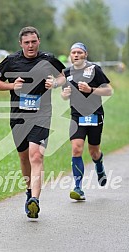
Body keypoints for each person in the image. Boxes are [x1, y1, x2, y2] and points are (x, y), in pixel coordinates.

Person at [0, 26, 65, 218]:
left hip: (42, 115)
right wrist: (11, 85)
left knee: (36, 155)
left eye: (34, 41)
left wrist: (55, 84)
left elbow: (63, 76)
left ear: (39, 41)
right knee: (24, 157)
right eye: (27, 42)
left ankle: (35, 200)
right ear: (21, 44)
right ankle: (28, 193)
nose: (30, 45)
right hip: (18, 116)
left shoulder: (48, 59)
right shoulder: (11, 61)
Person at [48, 42, 113, 200]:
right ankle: (78, 188)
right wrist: (65, 94)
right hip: (77, 116)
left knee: (93, 151)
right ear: (70, 55)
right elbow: (64, 94)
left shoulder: (94, 69)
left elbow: (109, 90)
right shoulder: (67, 72)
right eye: (73, 52)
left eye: (79, 52)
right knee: (76, 149)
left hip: (95, 115)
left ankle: (99, 164)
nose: (76, 55)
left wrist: (90, 90)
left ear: (85, 54)